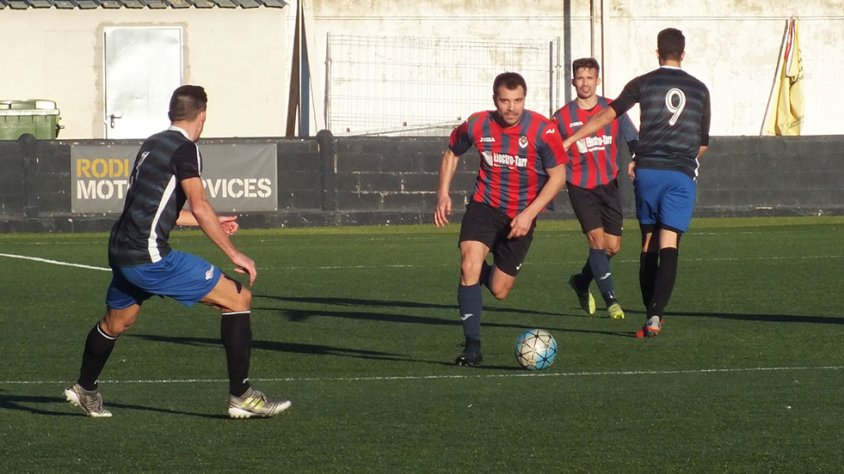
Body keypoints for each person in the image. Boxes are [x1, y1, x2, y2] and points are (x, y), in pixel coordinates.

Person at [64, 85, 291, 418]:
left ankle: (85, 388)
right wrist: (234, 253)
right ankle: (241, 396)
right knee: (238, 298)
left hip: (121, 250)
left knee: (118, 321)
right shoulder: (187, 150)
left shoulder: (152, 143)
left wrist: (209, 221)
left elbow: (155, 209)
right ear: (202, 116)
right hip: (149, 257)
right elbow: (199, 205)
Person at [561, 28, 711, 338]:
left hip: (648, 172)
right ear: (683, 54)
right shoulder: (700, 90)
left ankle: (649, 312)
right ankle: (655, 316)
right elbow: (702, 145)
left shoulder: (643, 83)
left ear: (658, 53)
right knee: (670, 242)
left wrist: (573, 137)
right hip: (680, 174)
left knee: (648, 242)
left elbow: (607, 116)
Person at [434, 72, 568, 365]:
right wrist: (443, 193)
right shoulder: (478, 123)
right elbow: (451, 152)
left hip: (522, 214)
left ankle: (483, 272)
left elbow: (558, 176)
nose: (511, 108)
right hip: (484, 206)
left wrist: (529, 214)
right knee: (468, 263)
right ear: (495, 99)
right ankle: (473, 347)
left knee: (499, 289)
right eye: (505, 101)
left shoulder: (542, 130)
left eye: (517, 100)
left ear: (524, 99)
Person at [552, 58, 639, 320]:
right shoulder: (561, 117)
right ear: (572, 82)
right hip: (580, 186)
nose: (585, 83)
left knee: (612, 247)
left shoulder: (613, 110)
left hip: (609, 184)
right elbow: (550, 150)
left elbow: (632, 136)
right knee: (597, 242)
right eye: (580, 78)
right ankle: (611, 300)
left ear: (597, 81)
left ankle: (581, 281)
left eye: (590, 78)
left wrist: (637, 157)